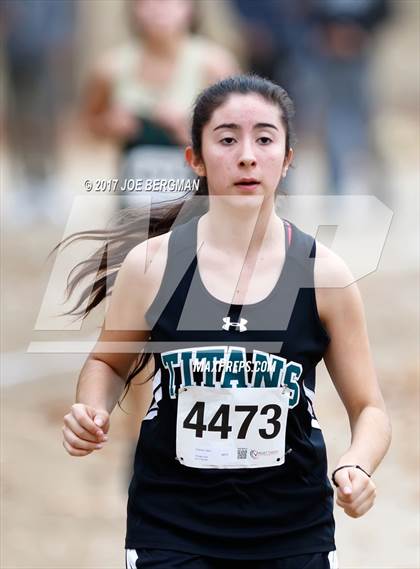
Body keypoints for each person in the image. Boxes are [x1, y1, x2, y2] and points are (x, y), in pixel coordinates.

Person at [60, 74, 391, 568]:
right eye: (227, 139)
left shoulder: (325, 275)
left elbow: (370, 409)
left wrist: (358, 465)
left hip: (292, 529)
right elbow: (108, 364)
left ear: (288, 159)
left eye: (264, 138)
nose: (247, 156)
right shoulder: (152, 266)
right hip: (171, 526)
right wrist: (92, 410)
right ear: (194, 158)